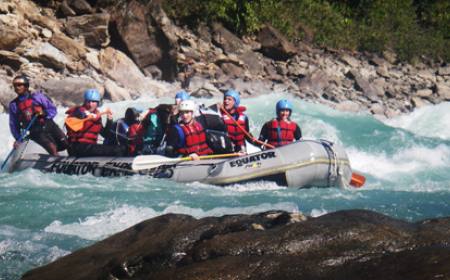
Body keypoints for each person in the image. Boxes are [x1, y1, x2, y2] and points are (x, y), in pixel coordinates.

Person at [8, 75, 67, 156]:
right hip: (35, 131)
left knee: (66, 143)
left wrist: (44, 113)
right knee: (52, 148)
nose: (17, 87)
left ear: (26, 86)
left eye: (19, 85)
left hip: (49, 124)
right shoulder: (14, 105)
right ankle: (56, 161)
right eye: (15, 85)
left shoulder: (37, 96)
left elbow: (52, 109)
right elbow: (13, 125)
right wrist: (18, 138)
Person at [65, 89, 127, 157]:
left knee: (120, 148)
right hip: (77, 147)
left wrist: (109, 121)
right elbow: (73, 121)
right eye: (88, 101)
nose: (91, 104)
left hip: (89, 147)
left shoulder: (96, 116)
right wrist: (85, 116)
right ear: (85, 102)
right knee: (116, 150)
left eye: (94, 102)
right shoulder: (78, 112)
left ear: (98, 103)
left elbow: (105, 134)